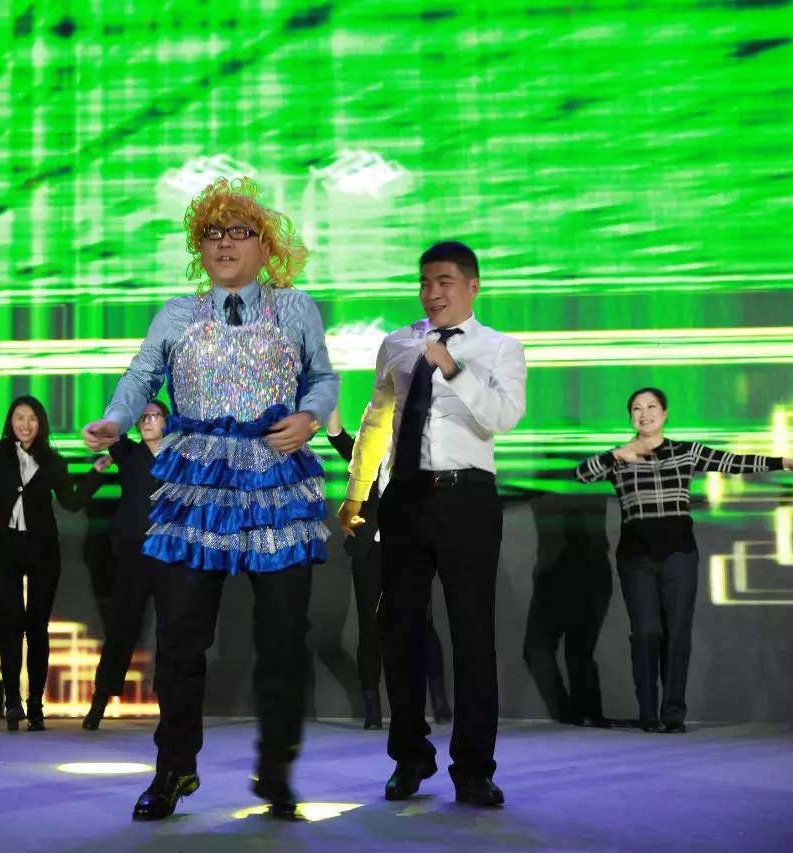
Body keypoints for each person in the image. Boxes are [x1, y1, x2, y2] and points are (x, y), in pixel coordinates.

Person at [82, 177, 338, 821]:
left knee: (282, 637)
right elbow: (141, 374)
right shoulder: (177, 313)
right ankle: (174, 768)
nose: (224, 243)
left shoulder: (295, 307)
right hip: (196, 483)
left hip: (276, 481)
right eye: (212, 233)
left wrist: (310, 415)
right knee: (179, 638)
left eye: (239, 232)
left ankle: (276, 770)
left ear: (265, 246)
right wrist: (115, 419)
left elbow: (323, 376)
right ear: (200, 248)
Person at [339, 240, 525, 807]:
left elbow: (504, 417)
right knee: (398, 630)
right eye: (425, 282)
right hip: (404, 498)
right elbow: (376, 420)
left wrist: (453, 368)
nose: (432, 292)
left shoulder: (500, 348)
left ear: (472, 286)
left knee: (471, 633)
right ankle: (410, 756)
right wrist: (357, 491)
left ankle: (473, 769)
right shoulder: (397, 344)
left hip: (467, 497)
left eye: (444, 282)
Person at [575, 387, 793, 733]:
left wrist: (782, 462)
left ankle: (673, 715)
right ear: (630, 416)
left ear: (664, 413)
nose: (644, 414)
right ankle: (649, 714)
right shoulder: (620, 457)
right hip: (636, 557)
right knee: (646, 633)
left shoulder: (685, 452)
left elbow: (732, 462)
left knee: (677, 634)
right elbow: (580, 474)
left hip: (679, 554)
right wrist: (617, 454)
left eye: (651, 407)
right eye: (637, 409)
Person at [0, 395, 101, 732]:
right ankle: (11, 702)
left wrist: (96, 473)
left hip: (43, 549)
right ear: (10, 421)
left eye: (31, 418)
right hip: (6, 548)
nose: (25, 424)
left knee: (37, 628)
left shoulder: (53, 461)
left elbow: (71, 501)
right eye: (19, 417)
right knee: (10, 624)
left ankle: (35, 705)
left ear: (40, 423)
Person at [324, 408, 451, 731]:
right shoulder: (367, 452)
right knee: (369, 626)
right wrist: (329, 399)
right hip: (370, 548)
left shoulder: (423, 449)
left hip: (409, 547)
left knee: (421, 623)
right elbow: (336, 435)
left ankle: (438, 700)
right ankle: (372, 709)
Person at [82, 399, 169, 731]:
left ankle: (170, 702)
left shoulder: (179, 458)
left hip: (169, 552)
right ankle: (100, 700)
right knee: (121, 628)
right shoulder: (129, 453)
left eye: (154, 416)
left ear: (166, 421)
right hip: (134, 553)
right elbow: (110, 426)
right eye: (142, 417)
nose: (147, 421)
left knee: (171, 631)